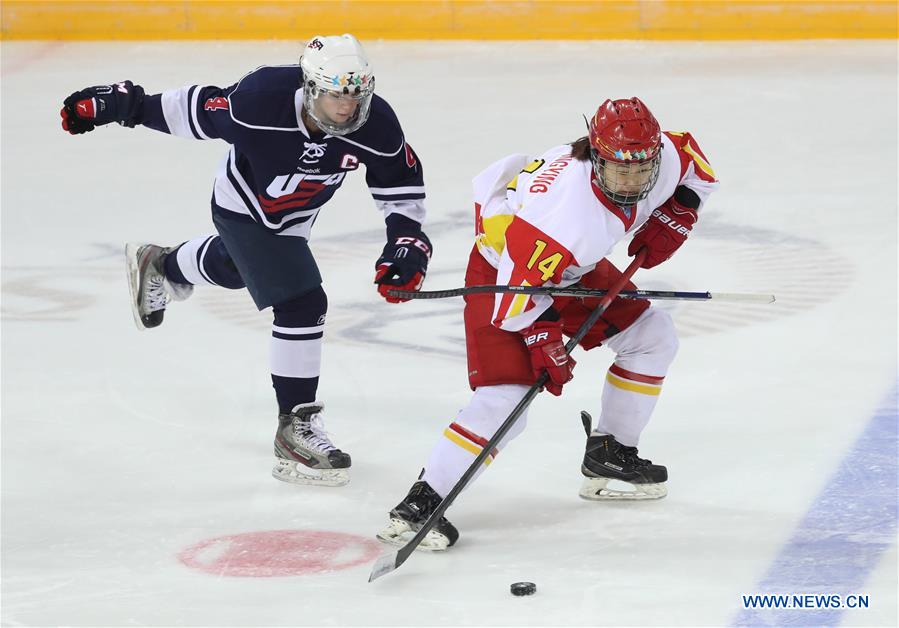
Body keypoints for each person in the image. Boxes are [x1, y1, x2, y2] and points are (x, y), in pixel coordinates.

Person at [60, 34, 433, 488]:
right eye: (336, 94)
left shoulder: (376, 125)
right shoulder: (261, 101)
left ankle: (164, 265)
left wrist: (405, 244)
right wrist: (121, 105)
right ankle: (294, 425)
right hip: (241, 204)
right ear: (312, 87)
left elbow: (399, 184)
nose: (347, 107)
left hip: (296, 217)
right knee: (301, 301)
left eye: (356, 95)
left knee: (240, 271)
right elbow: (191, 109)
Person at [376, 97, 718, 550]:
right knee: (507, 398)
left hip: (569, 268)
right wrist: (544, 340)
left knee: (653, 337)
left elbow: (696, 164)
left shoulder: (657, 157)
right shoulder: (564, 218)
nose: (634, 181)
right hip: (504, 275)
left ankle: (609, 454)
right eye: (620, 170)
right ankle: (421, 502)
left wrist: (680, 213)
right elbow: (513, 306)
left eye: (642, 169)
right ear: (596, 158)